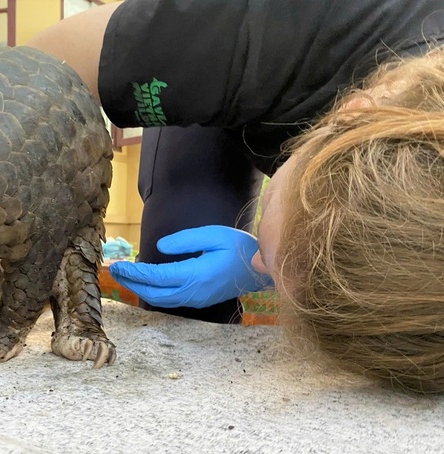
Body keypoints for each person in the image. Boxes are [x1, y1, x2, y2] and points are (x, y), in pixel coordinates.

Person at [28, 1, 444, 392]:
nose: (257, 261)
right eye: (269, 266)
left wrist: (281, 273)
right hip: (248, 56)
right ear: (347, 115)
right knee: (184, 230)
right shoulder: (243, 28)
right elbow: (29, 71)